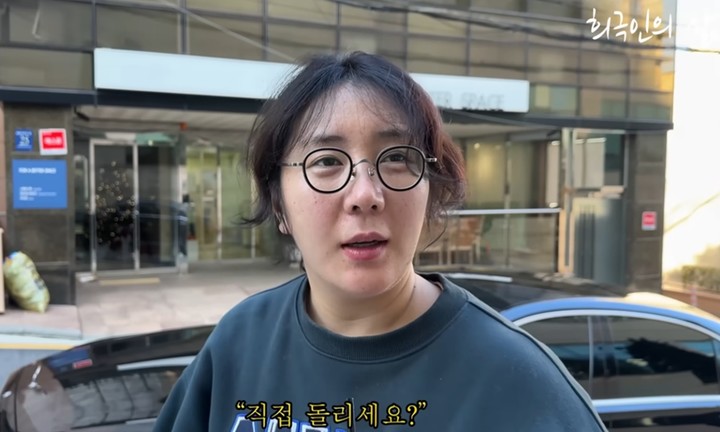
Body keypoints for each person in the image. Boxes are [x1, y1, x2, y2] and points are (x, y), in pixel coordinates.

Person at [153, 51, 608, 432]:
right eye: (326, 161)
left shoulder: (516, 380)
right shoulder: (241, 342)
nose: (365, 195)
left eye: (397, 158)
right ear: (278, 203)